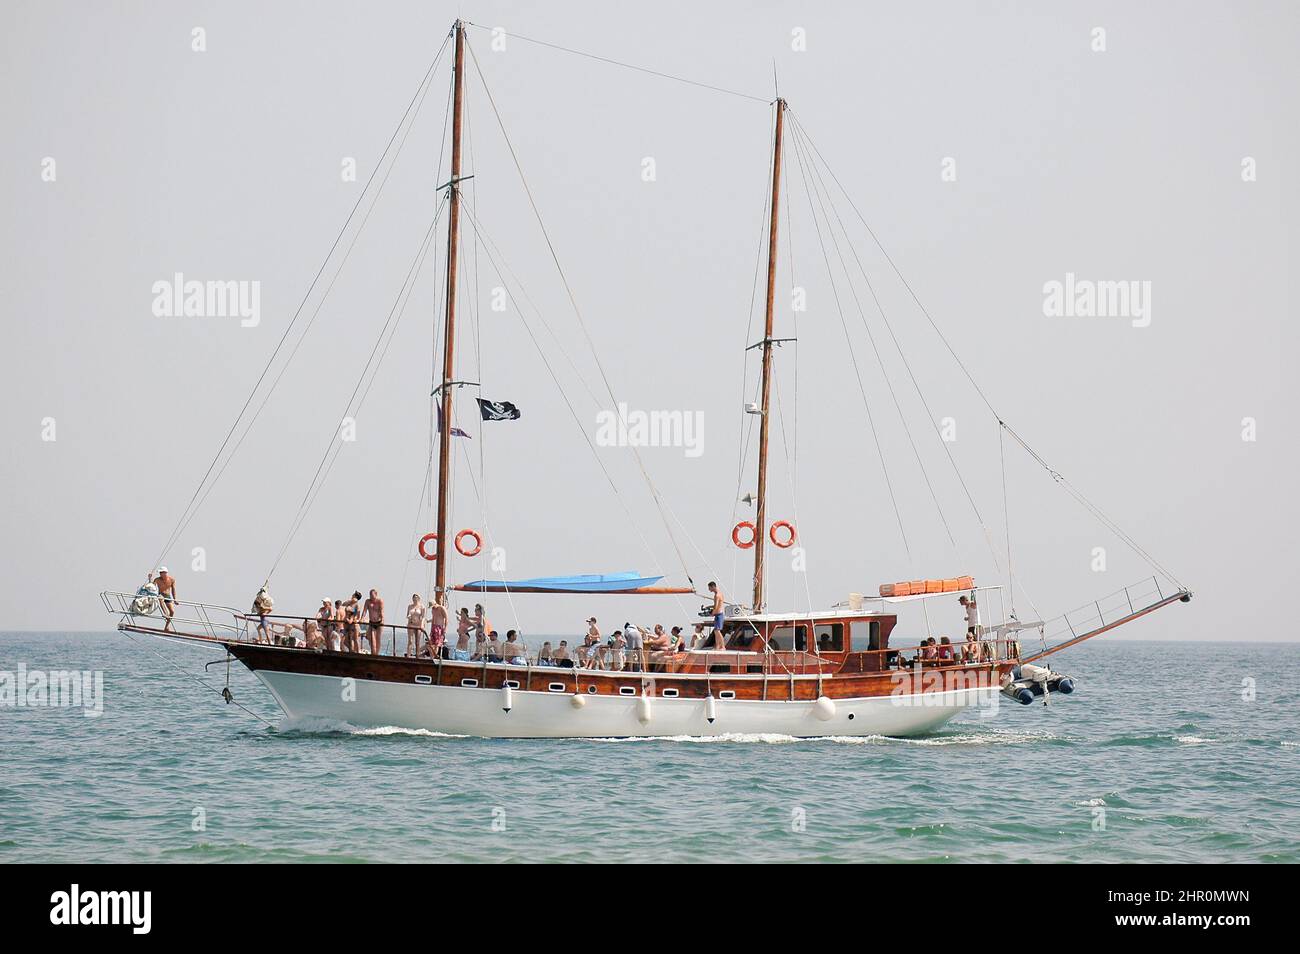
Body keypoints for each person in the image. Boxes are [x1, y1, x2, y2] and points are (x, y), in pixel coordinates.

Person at [155, 567, 178, 632]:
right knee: (161, 599)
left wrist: (175, 599)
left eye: (161, 572)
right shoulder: (157, 579)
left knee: (172, 611)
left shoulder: (172, 580)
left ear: (165, 573)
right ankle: (165, 614)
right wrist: (150, 578)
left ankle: (166, 627)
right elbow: (151, 586)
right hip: (160, 594)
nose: (160, 574)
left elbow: (173, 590)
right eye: (160, 573)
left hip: (168, 596)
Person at [363, 589, 385, 656]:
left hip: (379, 622)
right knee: (372, 639)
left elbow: (382, 612)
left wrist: (382, 620)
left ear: (376, 594)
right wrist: (362, 618)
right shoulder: (367, 601)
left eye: (372, 595)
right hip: (372, 622)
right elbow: (364, 611)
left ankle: (376, 654)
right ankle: (373, 653)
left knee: (378, 639)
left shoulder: (379, 601)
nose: (371, 597)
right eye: (370, 595)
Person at [707, 581, 726, 650]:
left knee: (717, 631)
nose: (709, 590)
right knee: (716, 631)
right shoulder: (720, 594)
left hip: (719, 614)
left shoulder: (717, 595)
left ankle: (723, 646)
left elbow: (716, 607)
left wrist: (712, 613)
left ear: (713, 587)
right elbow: (718, 604)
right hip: (719, 614)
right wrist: (709, 606)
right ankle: (718, 646)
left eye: (709, 588)